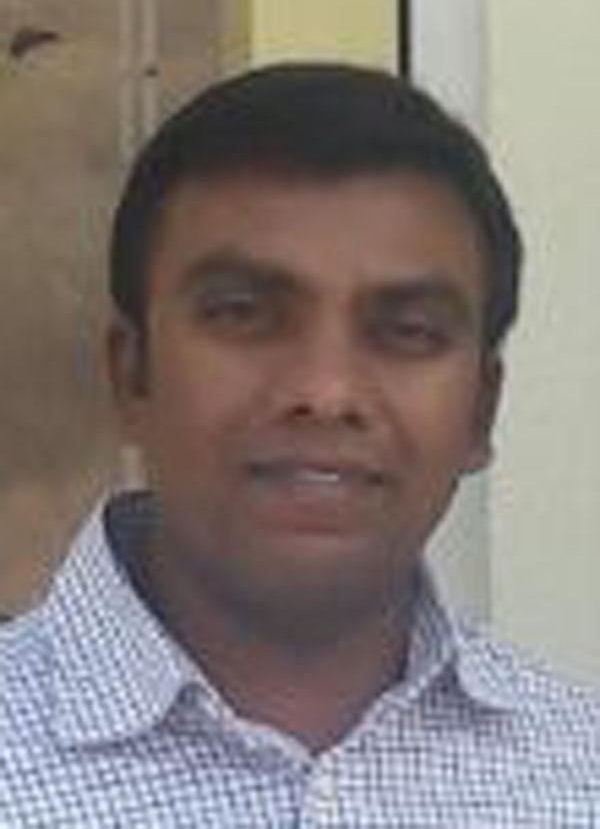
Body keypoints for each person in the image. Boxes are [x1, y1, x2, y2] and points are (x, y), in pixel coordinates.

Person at [1, 63, 598, 827]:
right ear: (131, 374)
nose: (326, 391)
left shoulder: (581, 775)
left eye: (408, 332)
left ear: (481, 410)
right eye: (244, 314)